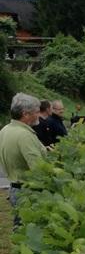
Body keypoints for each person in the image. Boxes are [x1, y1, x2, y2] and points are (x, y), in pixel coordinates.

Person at [0, 93, 47, 225]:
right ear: (25, 114)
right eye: (36, 112)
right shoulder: (25, 135)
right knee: (30, 228)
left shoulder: (5, 130)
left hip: (15, 189)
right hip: (28, 192)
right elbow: (38, 168)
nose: (39, 115)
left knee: (20, 228)